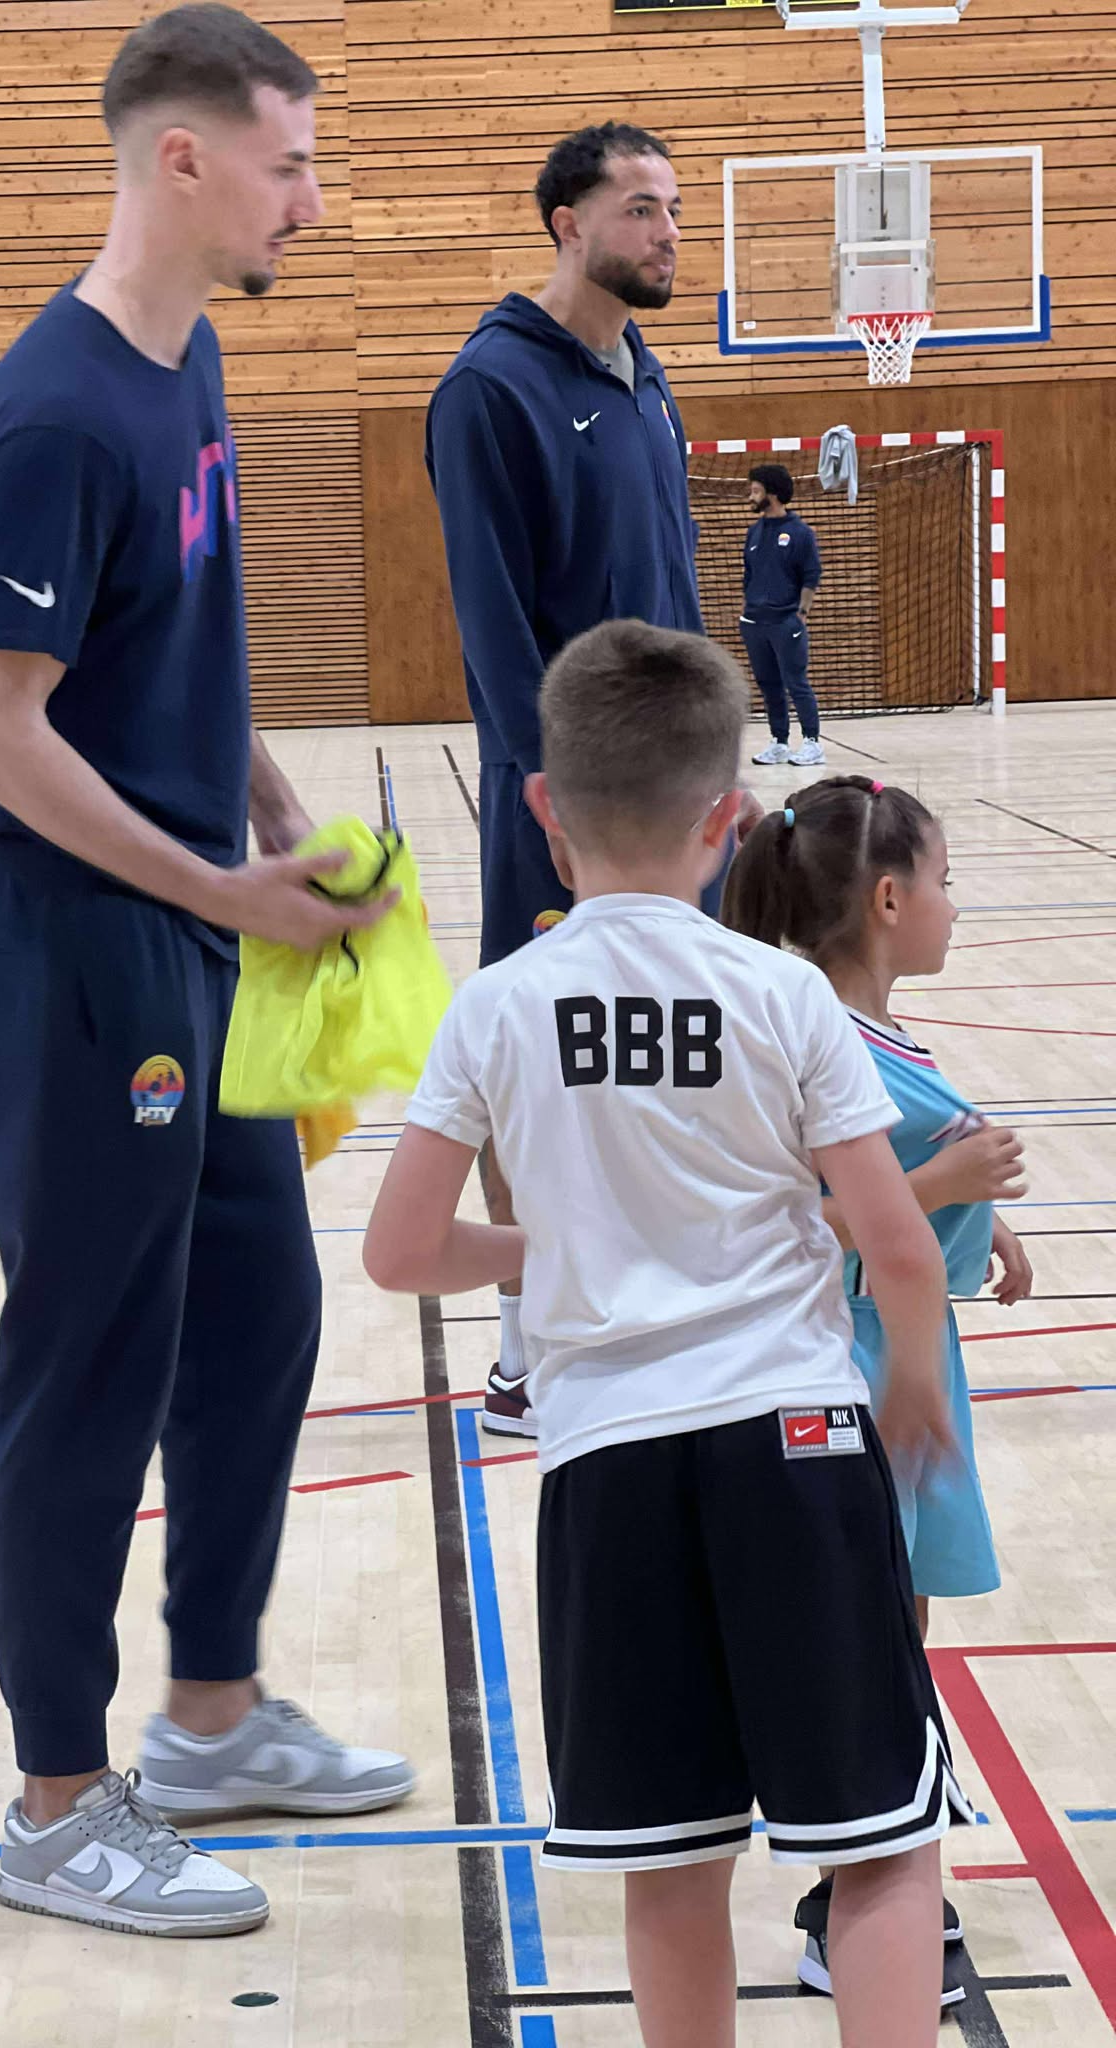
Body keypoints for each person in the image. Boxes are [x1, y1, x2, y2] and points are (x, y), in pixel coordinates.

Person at [0, 2, 415, 1943]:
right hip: (75, 947)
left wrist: (272, 810)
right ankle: (60, 1804)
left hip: (191, 924)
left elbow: (179, 644)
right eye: (290, 165)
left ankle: (210, 1715)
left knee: (260, 1313)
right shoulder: (55, 415)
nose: (315, 200)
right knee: (91, 1359)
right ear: (184, 159)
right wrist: (221, 888)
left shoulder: (187, 357)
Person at [364, 617, 971, 2048]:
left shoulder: (498, 1005)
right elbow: (896, 1243)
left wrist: (553, 1246)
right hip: (793, 1437)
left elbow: (402, 1253)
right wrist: (916, 1392)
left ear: (541, 807)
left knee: (671, 1862)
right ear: (726, 818)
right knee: (882, 1846)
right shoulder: (784, 993)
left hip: (608, 1466)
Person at [426, 121, 752, 1439]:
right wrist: (552, 797)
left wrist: (720, 766)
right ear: (567, 223)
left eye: (673, 208)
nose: (669, 232)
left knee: (675, 1055)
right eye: (640, 209)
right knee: (538, 1068)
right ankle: (523, 1352)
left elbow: (676, 590)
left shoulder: (647, 380)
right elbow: (492, 621)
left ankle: (664, 1311)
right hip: (562, 806)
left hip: (683, 797)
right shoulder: (489, 389)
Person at [722, 774, 1033, 2004]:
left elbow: (900, 1174)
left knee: (901, 1623)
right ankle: (846, 1890)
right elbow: (806, 1223)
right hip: (847, 1361)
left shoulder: (873, 1028)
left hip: (910, 1343)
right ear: (891, 898)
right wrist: (948, 1188)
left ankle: (878, 1858)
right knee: (861, 1637)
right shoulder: (821, 1036)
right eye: (946, 880)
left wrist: (980, 1222)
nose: (956, 902)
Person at [742, 464, 824, 767]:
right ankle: (779, 742)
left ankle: (812, 743)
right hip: (755, 622)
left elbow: (811, 576)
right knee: (768, 684)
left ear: (772, 494)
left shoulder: (800, 533)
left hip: (786, 621)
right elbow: (749, 575)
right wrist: (747, 611)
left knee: (795, 682)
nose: (751, 497)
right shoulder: (754, 531)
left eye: (756, 491)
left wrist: (801, 613)